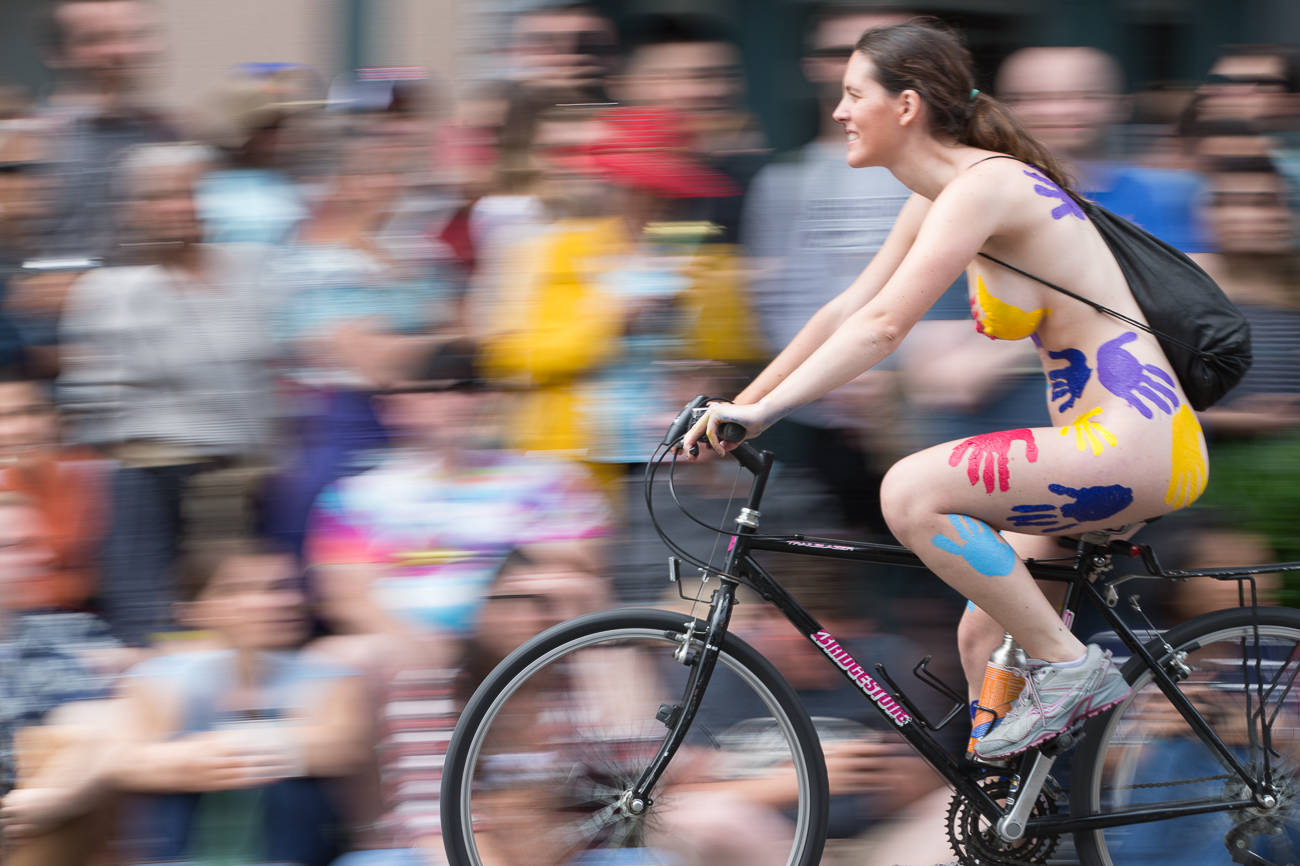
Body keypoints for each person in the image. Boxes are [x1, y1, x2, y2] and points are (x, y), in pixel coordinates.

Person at [684, 18, 1203, 759]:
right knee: (983, 632)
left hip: (1131, 444)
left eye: (851, 93)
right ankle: (1020, 801)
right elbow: (844, 310)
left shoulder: (987, 186)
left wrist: (765, 410)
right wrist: (742, 404)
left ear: (905, 106)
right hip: (1095, 450)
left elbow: (885, 328)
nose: (837, 112)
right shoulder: (941, 195)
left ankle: (1071, 666)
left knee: (910, 493)